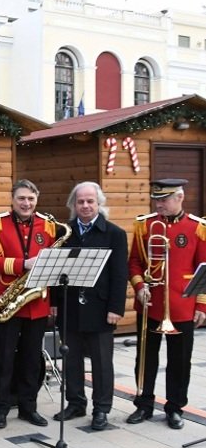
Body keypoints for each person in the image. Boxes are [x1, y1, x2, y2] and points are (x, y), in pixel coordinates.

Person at [127, 178, 206, 430]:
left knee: (180, 360)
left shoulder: (198, 227)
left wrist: (202, 305)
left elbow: (204, 269)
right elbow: (135, 263)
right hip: (151, 304)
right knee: (146, 358)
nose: (158, 204)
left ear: (180, 198)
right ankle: (144, 404)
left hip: (182, 305)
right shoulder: (145, 225)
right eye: (156, 199)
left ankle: (175, 407)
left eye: (164, 199)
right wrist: (140, 287)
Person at [0, 179, 58, 429]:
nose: (26, 203)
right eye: (21, 198)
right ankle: (0, 409)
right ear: (12, 200)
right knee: (3, 360)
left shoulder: (47, 225)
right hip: (8, 302)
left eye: (31, 199)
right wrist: (21, 264)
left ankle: (28, 407)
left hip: (36, 303)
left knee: (31, 360)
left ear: (37, 200)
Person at [53, 182, 127, 430]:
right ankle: (75, 403)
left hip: (101, 308)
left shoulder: (115, 234)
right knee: (70, 359)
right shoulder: (63, 232)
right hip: (70, 306)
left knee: (101, 362)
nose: (85, 206)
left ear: (99, 203)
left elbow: (119, 274)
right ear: (74, 205)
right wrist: (54, 303)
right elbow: (55, 269)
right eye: (80, 201)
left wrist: (116, 308)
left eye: (90, 201)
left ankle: (101, 409)